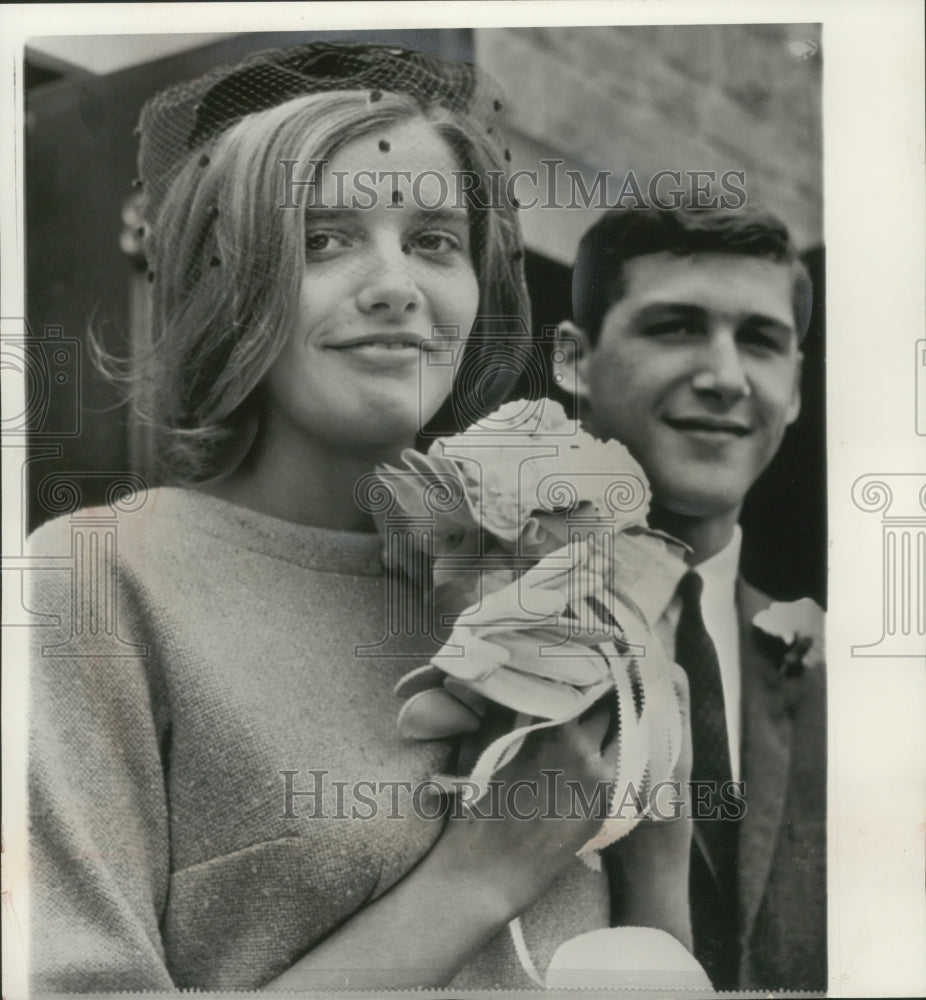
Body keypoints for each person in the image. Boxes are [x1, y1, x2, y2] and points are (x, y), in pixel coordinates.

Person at [27, 43, 698, 992]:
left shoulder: (532, 568)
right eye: (324, 238)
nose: (397, 284)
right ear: (225, 285)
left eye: (434, 240)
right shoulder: (93, 582)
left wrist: (656, 825)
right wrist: (481, 875)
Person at [554, 206, 827, 991]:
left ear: (797, 388)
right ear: (574, 361)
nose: (725, 377)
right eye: (675, 327)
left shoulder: (850, 685)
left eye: (761, 342)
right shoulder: (467, 625)